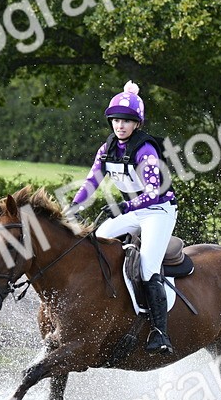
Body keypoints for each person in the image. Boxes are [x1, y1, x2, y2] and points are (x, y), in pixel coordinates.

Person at [70, 80, 177, 354]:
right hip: (132, 210)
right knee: (96, 244)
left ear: (137, 124)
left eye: (127, 121)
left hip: (158, 212)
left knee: (147, 266)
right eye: (116, 120)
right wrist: (73, 207)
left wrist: (120, 207)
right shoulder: (106, 150)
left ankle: (159, 333)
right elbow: (91, 183)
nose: (120, 125)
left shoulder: (145, 150)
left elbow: (153, 193)